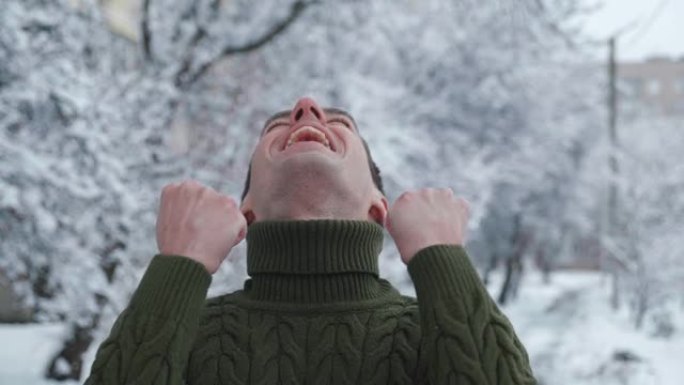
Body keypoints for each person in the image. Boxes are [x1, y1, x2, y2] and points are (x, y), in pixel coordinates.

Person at [85, 97, 536, 384]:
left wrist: (443, 259)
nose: (306, 108)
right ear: (245, 211)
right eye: (275, 126)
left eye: (340, 122)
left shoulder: (431, 331)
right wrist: (179, 264)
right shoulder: (186, 332)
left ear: (379, 208)